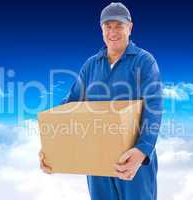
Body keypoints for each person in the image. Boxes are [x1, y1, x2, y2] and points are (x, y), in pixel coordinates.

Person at [39, 2, 162, 200]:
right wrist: (51, 147)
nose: (113, 32)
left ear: (130, 27)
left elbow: (153, 107)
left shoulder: (144, 61)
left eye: (119, 26)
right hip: (96, 160)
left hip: (134, 160)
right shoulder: (91, 65)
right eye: (108, 26)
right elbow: (71, 104)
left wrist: (142, 151)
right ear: (101, 29)